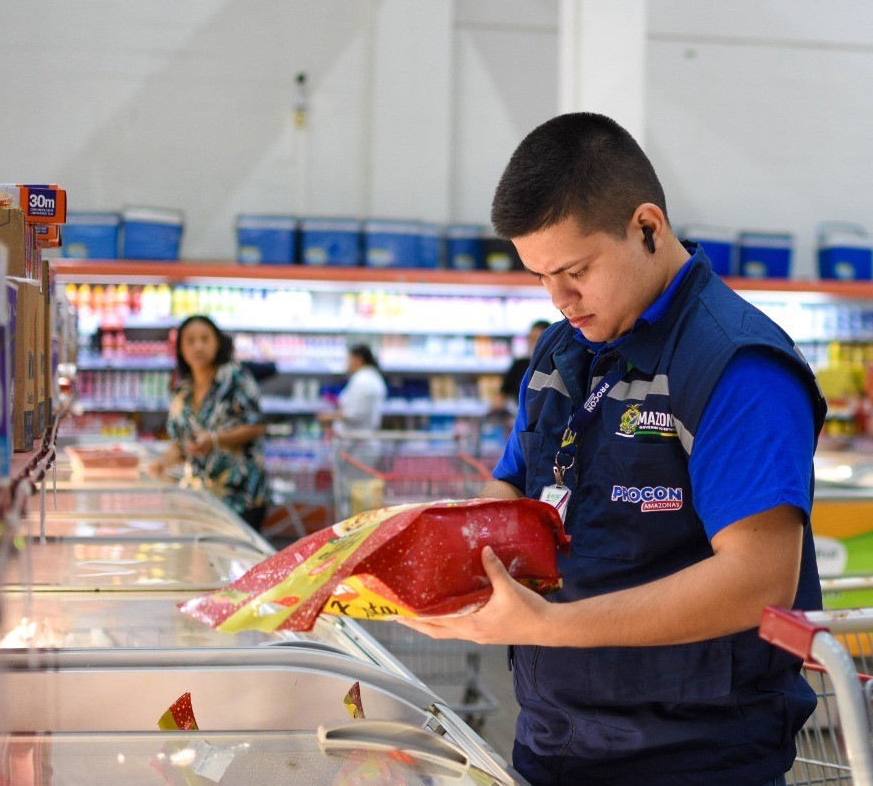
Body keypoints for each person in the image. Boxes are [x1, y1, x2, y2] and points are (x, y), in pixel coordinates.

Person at [399, 112, 826, 785]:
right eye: (539, 275)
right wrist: (453, 552)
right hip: (552, 736)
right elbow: (516, 481)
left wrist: (545, 624)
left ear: (647, 226)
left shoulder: (738, 367)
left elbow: (760, 579)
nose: (560, 298)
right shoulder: (562, 349)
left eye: (575, 270)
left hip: (690, 757)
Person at [147, 315, 269, 530]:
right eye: (190, 341)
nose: (198, 346)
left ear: (217, 343)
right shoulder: (182, 390)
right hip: (198, 499)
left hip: (240, 497)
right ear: (180, 348)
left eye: (205, 339)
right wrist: (162, 463)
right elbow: (180, 443)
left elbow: (256, 426)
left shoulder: (234, 376)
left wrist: (215, 440)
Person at [319, 344, 387, 436]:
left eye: (349, 359)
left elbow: (353, 413)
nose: (347, 364)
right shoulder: (371, 377)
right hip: (360, 438)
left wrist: (328, 416)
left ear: (358, 359)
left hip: (356, 440)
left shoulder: (363, 380)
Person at [497, 319, 550, 412]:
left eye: (538, 339)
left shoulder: (557, 367)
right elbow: (501, 395)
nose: (534, 344)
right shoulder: (520, 365)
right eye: (531, 339)